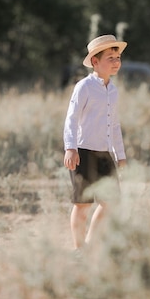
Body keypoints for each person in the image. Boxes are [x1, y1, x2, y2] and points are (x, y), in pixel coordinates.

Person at [63, 34, 128, 250]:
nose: (116, 61)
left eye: (117, 57)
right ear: (95, 62)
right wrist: (71, 148)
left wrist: (121, 156)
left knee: (111, 203)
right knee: (82, 205)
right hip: (83, 152)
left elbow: (115, 125)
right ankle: (79, 250)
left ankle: (90, 243)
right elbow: (71, 119)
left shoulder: (114, 91)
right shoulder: (84, 87)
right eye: (110, 57)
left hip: (104, 154)